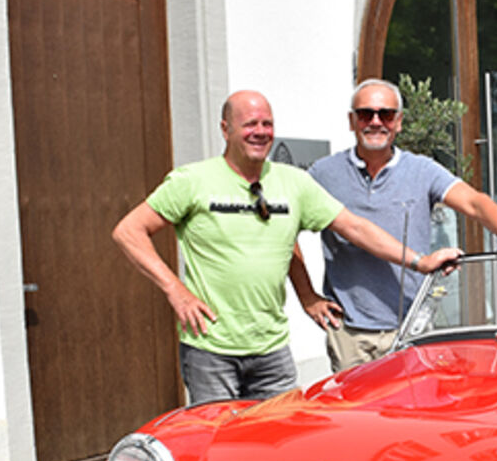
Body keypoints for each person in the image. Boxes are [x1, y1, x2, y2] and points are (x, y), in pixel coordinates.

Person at [113, 89, 461, 404]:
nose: (260, 131)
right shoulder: (192, 181)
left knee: (277, 441)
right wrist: (176, 291)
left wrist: (419, 261)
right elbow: (129, 231)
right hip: (211, 348)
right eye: (250, 124)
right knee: (216, 441)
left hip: (272, 350)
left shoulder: (292, 182)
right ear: (225, 129)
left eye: (267, 123)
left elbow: (354, 227)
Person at [300, 78, 497, 371]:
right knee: (355, 404)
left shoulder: (421, 170)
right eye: (365, 114)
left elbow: (474, 202)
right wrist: (307, 296)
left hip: (412, 328)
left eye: (386, 114)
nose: (375, 122)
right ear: (351, 121)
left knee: (413, 401)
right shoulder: (324, 174)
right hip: (350, 333)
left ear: (399, 122)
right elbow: (284, 230)